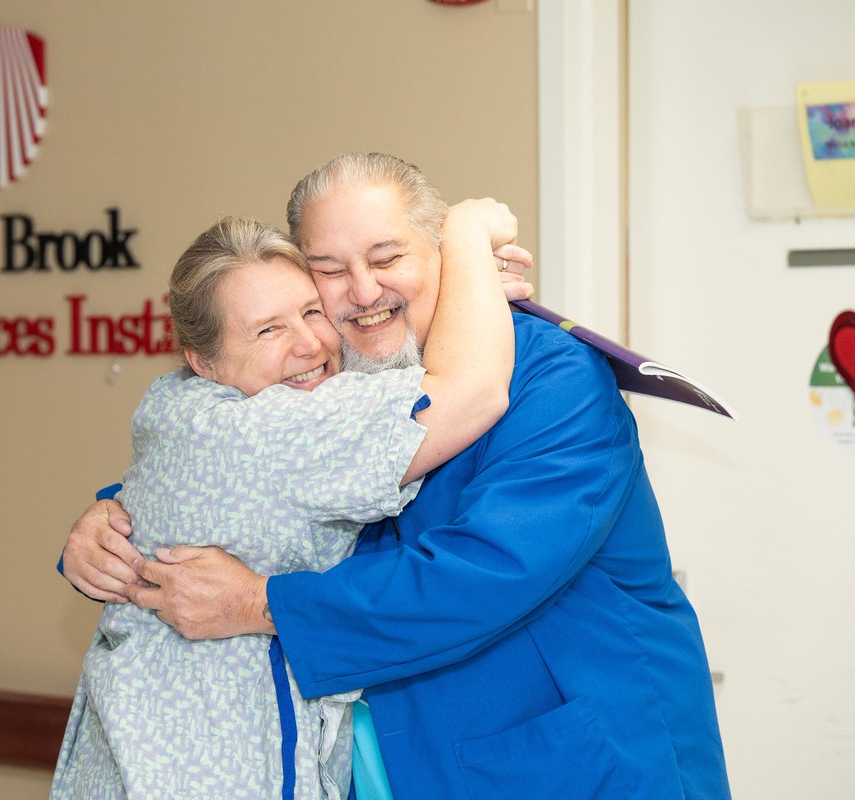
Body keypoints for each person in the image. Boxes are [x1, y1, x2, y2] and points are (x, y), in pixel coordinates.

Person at [61, 152, 731, 798]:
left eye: (387, 258)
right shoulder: (332, 376)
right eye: (329, 269)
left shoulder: (553, 377)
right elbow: (228, 463)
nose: (362, 290)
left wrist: (257, 603)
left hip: (573, 762)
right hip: (393, 760)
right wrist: (114, 520)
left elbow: (479, 575)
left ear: (441, 254)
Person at [52, 204, 529, 799]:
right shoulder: (276, 430)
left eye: (310, 312)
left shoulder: (176, 404)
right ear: (203, 362)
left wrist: (451, 288)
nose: (309, 344)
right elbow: (473, 390)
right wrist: (465, 241)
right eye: (268, 329)